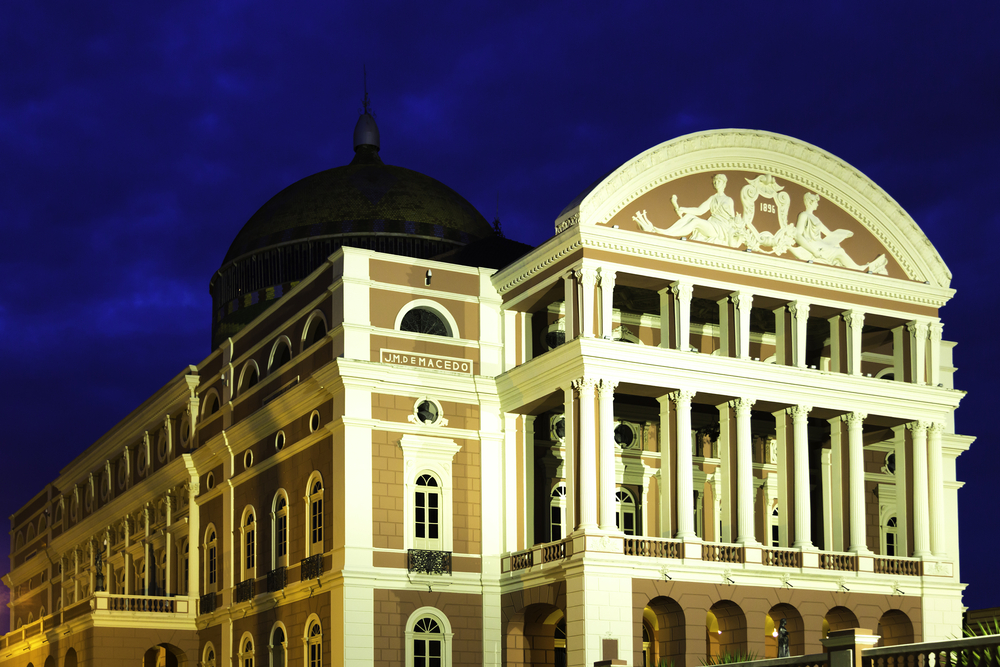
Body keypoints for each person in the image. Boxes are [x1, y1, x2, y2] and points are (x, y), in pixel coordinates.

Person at [790, 193, 888, 274]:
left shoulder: (816, 219)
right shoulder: (804, 215)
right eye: (816, 202)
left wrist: (841, 235)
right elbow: (798, 235)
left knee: (839, 249)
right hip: (813, 245)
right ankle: (857, 269)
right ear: (810, 202)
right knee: (840, 251)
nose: (817, 204)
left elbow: (828, 233)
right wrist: (813, 251)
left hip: (820, 244)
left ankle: (857, 268)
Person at [636, 174, 742, 247]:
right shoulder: (712, 198)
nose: (716, 183)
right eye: (715, 181)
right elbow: (700, 210)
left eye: (719, 181)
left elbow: (732, 218)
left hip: (721, 229)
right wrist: (683, 209)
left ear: (724, 183)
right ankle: (667, 232)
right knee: (689, 217)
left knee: (695, 222)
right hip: (713, 224)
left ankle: (669, 234)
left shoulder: (728, 200)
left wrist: (736, 222)